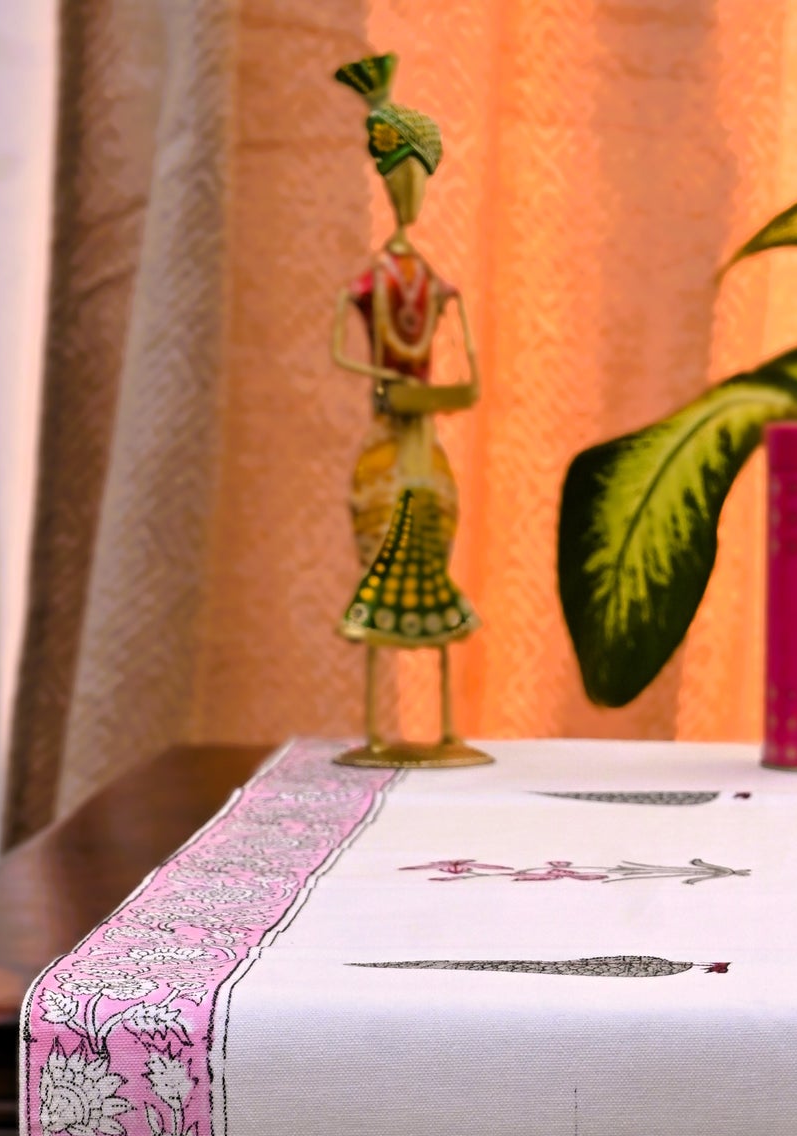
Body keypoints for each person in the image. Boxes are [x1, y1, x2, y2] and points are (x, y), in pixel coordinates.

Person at [331, 54, 488, 766]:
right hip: (393, 436)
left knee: (434, 559)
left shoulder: (430, 281)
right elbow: (345, 350)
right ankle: (376, 726)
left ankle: (447, 724)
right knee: (377, 565)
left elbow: (468, 358)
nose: (413, 192)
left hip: (424, 437)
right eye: (408, 175)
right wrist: (383, 385)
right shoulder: (378, 280)